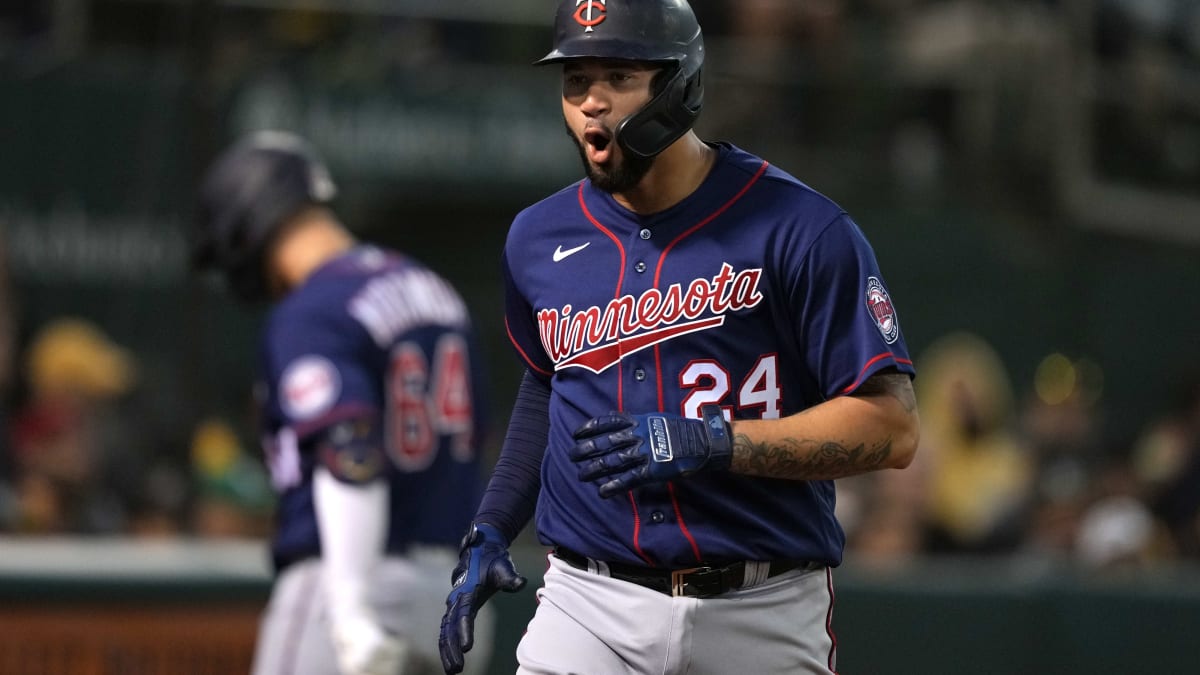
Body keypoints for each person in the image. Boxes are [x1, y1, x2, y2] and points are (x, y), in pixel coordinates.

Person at [437, 2, 921, 674]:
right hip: (589, 601)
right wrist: (492, 524)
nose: (592, 104)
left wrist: (715, 441)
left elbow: (893, 428)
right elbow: (547, 382)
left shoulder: (800, 228)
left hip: (763, 603)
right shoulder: (536, 238)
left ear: (679, 85)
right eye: (575, 80)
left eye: (618, 76)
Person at [193, 130, 495, 675]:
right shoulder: (433, 289)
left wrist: (350, 607)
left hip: (352, 579)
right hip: (455, 592)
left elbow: (349, 447)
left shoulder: (313, 310)